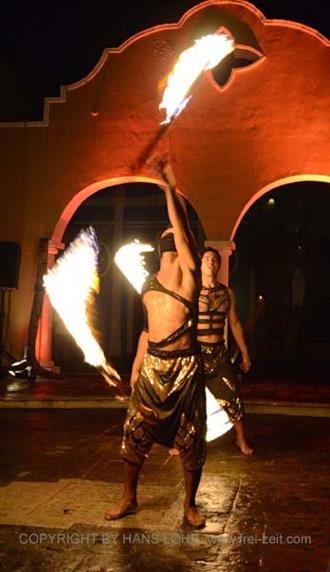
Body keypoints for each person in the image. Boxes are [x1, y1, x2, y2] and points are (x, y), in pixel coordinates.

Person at [105, 159, 206, 528]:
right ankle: (129, 499)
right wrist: (135, 364)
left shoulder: (189, 279)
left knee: (191, 437)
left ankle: (189, 505)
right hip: (152, 367)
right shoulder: (149, 283)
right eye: (173, 240)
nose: (176, 242)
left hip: (185, 369)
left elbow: (181, 232)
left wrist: (169, 186)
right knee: (134, 431)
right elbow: (147, 331)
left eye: (180, 239)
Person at [198, 247, 253, 454]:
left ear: (219, 265)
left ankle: (241, 440)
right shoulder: (193, 290)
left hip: (219, 352)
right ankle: (180, 442)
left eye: (214, 259)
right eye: (207, 259)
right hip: (196, 352)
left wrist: (245, 353)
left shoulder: (227, 293)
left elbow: (235, 324)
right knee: (188, 397)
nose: (211, 262)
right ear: (201, 264)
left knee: (232, 394)